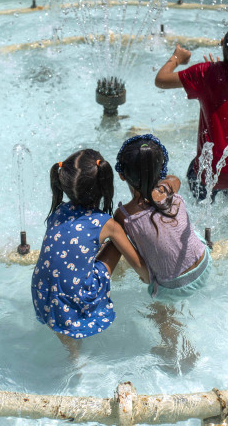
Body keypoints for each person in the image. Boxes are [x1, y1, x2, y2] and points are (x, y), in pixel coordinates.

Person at [31, 148, 147, 358]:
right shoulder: (107, 224)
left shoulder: (58, 212)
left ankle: (72, 352)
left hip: (43, 296)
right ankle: (75, 329)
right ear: (105, 184)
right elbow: (143, 272)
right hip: (78, 298)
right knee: (117, 238)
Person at [114, 134, 212, 370]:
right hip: (203, 265)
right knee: (185, 229)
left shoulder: (124, 216)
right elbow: (174, 180)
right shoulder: (170, 188)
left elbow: (139, 265)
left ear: (121, 175)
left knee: (159, 314)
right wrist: (162, 184)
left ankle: (181, 351)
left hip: (173, 287)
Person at [154, 18, 228, 200]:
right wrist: (215, 72)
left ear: (222, 42)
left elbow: (161, 80)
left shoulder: (204, 74)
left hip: (212, 174)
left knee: (194, 171)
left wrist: (177, 58)